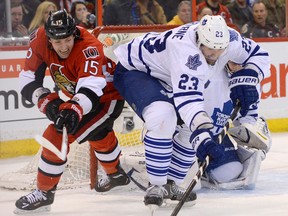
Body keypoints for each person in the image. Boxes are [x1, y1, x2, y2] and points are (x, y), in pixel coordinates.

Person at [113, 15, 271, 207]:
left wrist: (249, 75)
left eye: (219, 49)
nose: (215, 55)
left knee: (190, 128)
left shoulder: (230, 40)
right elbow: (189, 102)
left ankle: (171, 184)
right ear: (199, 40)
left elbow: (259, 55)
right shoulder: (187, 53)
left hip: (167, 75)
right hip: (136, 71)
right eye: (210, 49)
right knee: (163, 116)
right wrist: (202, 135)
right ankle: (156, 186)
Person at [14, 10, 130, 214]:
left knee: (59, 132)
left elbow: (90, 88)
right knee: (96, 133)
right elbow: (27, 78)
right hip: (82, 95)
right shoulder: (39, 38)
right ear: (48, 38)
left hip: (106, 97)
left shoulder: (89, 46)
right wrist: (46, 100)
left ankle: (44, 193)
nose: (63, 46)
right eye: (57, 42)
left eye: (67, 39)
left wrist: (73, 109)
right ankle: (116, 175)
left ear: (74, 34)